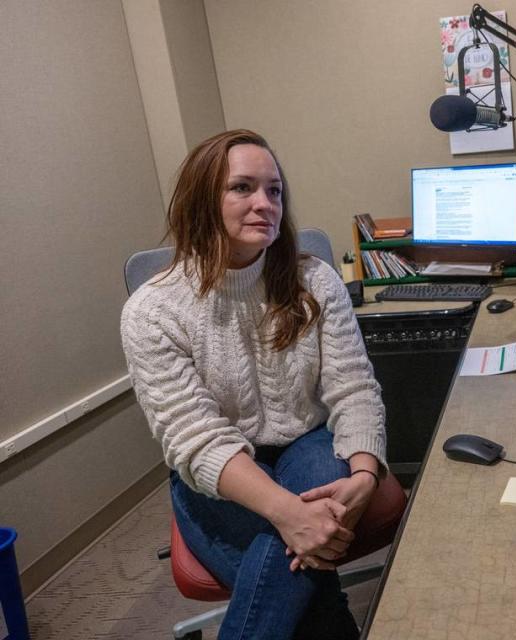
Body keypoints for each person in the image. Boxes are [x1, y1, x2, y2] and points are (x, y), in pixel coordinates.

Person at [121, 129, 387, 640]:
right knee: (306, 572)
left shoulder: (316, 282)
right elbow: (197, 439)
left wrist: (365, 473)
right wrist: (293, 517)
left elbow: (354, 389)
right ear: (202, 200)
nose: (264, 204)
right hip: (219, 470)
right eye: (242, 188)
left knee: (300, 541)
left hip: (307, 445)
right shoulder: (152, 312)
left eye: (274, 190)